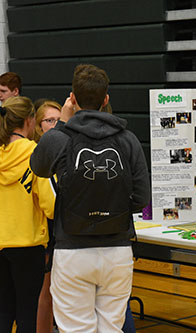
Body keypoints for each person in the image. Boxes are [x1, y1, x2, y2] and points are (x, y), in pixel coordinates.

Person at [30, 64, 150, 332]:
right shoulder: (128, 140)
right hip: (117, 248)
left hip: (72, 249)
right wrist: (114, 210)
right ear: (106, 99)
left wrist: (61, 121)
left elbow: (38, 167)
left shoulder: (59, 138)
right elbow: (141, 197)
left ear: (72, 98)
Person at [0, 96, 56, 333]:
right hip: (28, 245)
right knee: (27, 312)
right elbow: (51, 205)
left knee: (2, 310)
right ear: (29, 121)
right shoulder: (36, 154)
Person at [33, 100, 61, 333]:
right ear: (37, 125)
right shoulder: (37, 154)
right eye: (49, 120)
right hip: (45, 232)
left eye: (58, 120)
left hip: (63, 231)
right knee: (47, 292)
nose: (54, 125)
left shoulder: (64, 151)